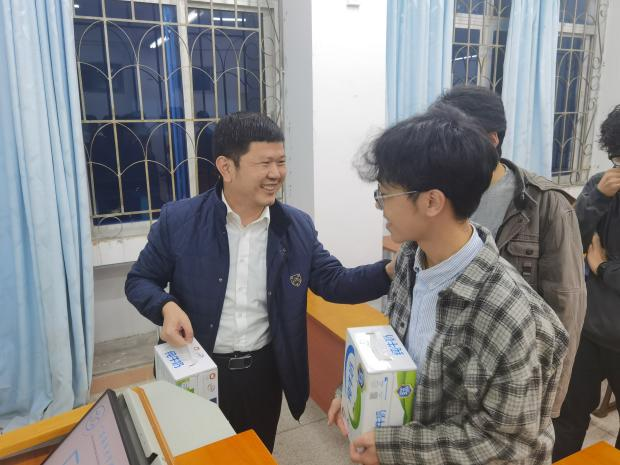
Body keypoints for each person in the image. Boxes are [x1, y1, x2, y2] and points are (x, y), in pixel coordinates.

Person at [125, 112, 394, 452]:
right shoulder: (180, 221)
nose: (276, 173)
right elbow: (140, 281)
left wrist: (389, 271)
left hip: (263, 375)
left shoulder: (295, 227)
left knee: (255, 452)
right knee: (196, 452)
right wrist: (166, 306)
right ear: (226, 167)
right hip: (198, 368)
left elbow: (335, 281)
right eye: (265, 163)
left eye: (281, 162)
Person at [327, 104, 568, 464]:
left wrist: (394, 447)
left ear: (431, 202)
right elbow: (396, 352)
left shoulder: (506, 313)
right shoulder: (411, 260)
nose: (380, 207)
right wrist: (353, 391)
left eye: (384, 195)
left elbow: (507, 445)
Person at [433, 85, 586, 418]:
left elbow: (567, 307)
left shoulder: (545, 204)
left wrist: (548, 401)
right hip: (449, 364)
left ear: (491, 140)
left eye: (456, 140)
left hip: (512, 374)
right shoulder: (441, 195)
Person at [552, 104, 620, 460]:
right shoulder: (600, 185)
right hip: (588, 327)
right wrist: (597, 198)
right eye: (617, 158)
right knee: (568, 416)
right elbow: (569, 243)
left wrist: (601, 266)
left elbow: (593, 259)